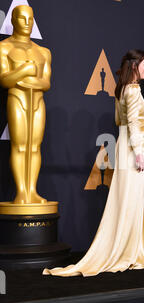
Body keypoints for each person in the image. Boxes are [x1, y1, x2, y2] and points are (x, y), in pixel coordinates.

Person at [43, 50, 144, 276]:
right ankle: (129, 250)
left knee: (126, 199)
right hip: (132, 149)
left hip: (124, 143)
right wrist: (139, 151)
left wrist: (141, 127)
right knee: (130, 199)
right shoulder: (134, 90)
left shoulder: (121, 89)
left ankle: (129, 247)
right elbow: (129, 121)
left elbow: (122, 121)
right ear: (136, 65)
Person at [0, 5, 51, 204]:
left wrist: (22, 78)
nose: (27, 23)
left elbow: (46, 83)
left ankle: (32, 190)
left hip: (38, 100)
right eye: (22, 18)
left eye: (30, 18)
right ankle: (21, 191)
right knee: (20, 146)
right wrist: (25, 71)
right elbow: (4, 79)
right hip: (17, 99)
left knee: (35, 147)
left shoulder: (43, 52)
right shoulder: (4, 48)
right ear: (13, 20)